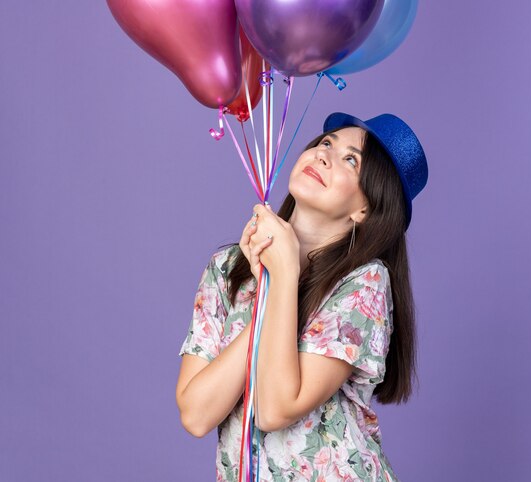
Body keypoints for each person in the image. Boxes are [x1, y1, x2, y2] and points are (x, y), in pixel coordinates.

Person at [175, 112, 428, 481]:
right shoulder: (229, 267)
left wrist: (284, 278)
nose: (324, 155)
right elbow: (196, 415)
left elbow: (275, 408)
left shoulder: (364, 283)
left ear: (364, 208)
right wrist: (271, 287)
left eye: (351, 159)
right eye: (326, 143)